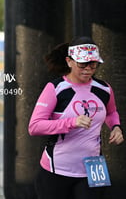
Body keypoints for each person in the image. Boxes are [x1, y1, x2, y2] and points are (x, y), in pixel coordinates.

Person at [28, 36, 124, 199]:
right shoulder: (56, 88)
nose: (88, 69)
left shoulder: (104, 89)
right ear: (69, 61)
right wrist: (71, 122)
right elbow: (34, 127)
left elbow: (111, 112)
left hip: (94, 167)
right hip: (57, 168)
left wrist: (116, 127)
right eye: (82, 64)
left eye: (93, 64)